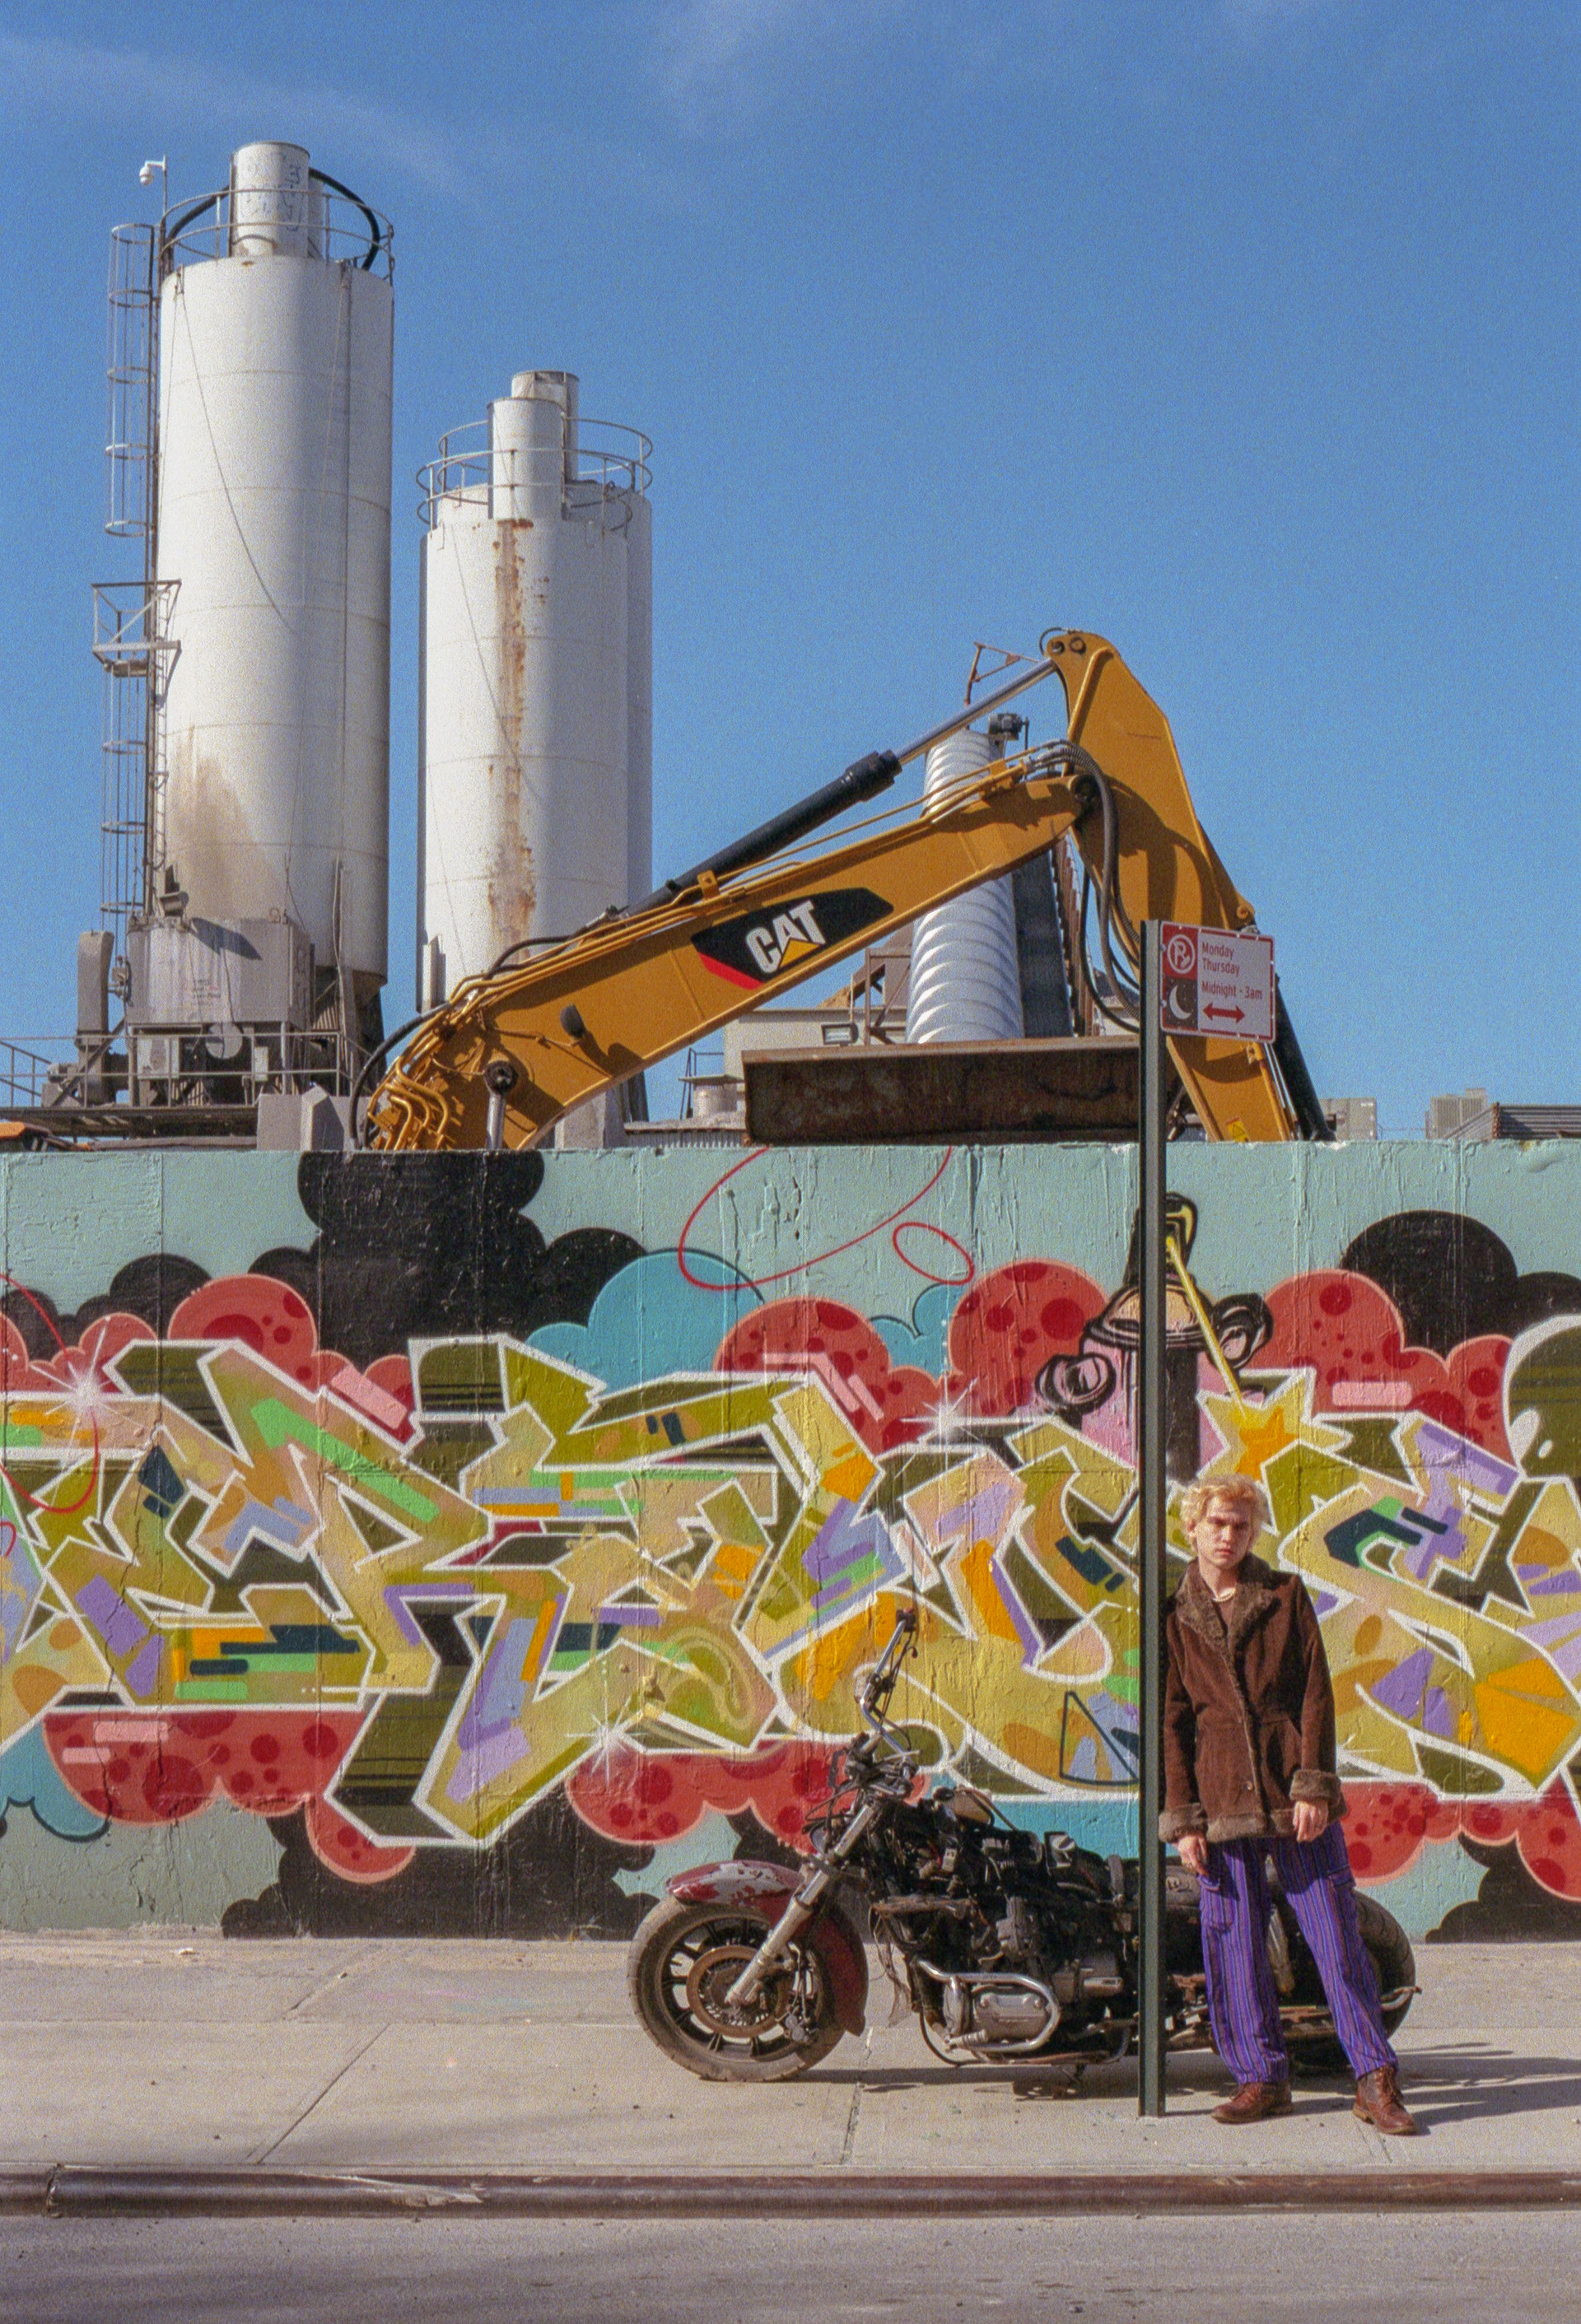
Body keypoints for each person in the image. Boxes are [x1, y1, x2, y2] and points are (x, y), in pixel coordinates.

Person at [1161, 1474, 1417, 2133]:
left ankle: (1374, 2076)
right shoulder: (1174, 1614)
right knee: (1234, 1944)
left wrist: (1313, 1784)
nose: (1228, 1535)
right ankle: (1260, 2078)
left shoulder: (1283, 1594)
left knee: (1335, 1936)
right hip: (1220, 1799)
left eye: (1240, 1525)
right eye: (1217, 1523)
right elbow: (1174, 1721)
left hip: (1292, 1795)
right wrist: (1184, 1819)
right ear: (1192, 1526)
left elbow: (1315, 1694)